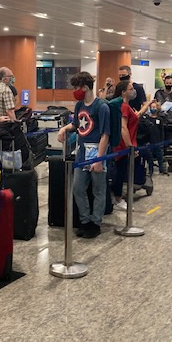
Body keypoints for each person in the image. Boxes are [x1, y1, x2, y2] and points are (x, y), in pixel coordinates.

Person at [57, 72, 110, 239]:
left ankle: (96, 223)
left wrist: (100, 159)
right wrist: (64, 129)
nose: (75, 91)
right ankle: (85, 220)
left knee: (98, 190)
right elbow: (76, 125)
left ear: (85, 87)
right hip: (81, 153)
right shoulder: (80, 105)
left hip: (96, 152)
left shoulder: (101, 107)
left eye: (77, 87)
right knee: (78, 188)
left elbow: (105, 135)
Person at [111, 80, 153, 210]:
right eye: (130, 89)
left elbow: (136, 115)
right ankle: (117, 199)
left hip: (128, 143)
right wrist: (130, 146)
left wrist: (147, 105)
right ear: (123, 92)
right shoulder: (123, 107)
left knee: (123, 171)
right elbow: (123, 127)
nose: (133, 91)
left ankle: (118, 197)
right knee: (120, 172)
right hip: (123, 145)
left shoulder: (127, 106)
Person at [142, 100, 165, 173]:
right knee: (150, 157)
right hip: (150, 141)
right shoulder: (148, 119)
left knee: (160, 156)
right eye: (151, 107)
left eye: (154, 107)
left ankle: (161, 169)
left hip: (158, 141)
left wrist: (162, 141)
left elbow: (162, 131)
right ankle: (150, 169)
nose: (153, 109)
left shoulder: (160, 119)